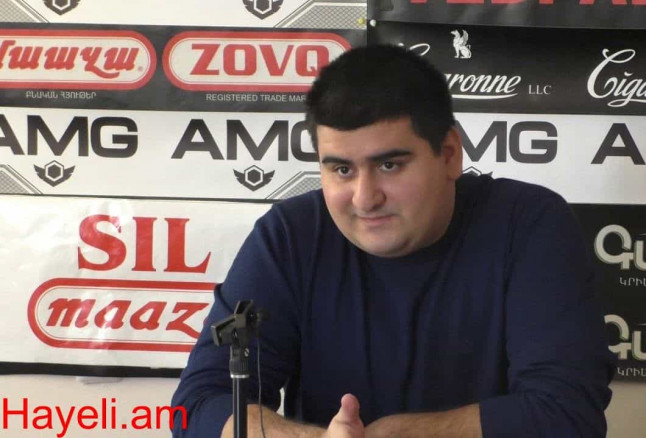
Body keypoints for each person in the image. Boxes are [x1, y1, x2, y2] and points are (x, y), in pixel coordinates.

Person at [171, 44, 614, 438]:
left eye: (389, 166)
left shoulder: (530, 224)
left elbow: (568, 415)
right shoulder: (290, 234)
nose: (365, 198)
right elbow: (196, 407)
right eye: (342, 169)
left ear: (449, 155)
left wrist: (400, 433)